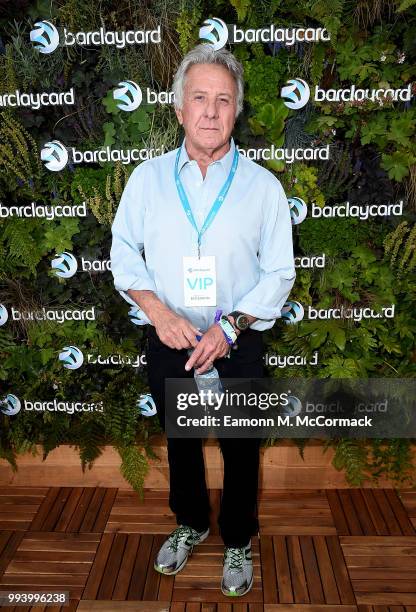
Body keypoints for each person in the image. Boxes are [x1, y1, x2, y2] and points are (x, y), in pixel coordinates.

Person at [110, 43, 296, 597]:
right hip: (170, 336)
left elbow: (280, 274)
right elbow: (122, 251)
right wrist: (158, 312)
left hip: (236, 341)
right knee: (181, 442)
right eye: (199, 99)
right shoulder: (147, 180)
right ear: (179, 109)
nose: (211, 112)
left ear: (237, 111)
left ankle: (237, 537)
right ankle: (190, 522)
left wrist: (230, 327)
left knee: (241, 448)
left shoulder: (264, 188)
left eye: (223, 100)